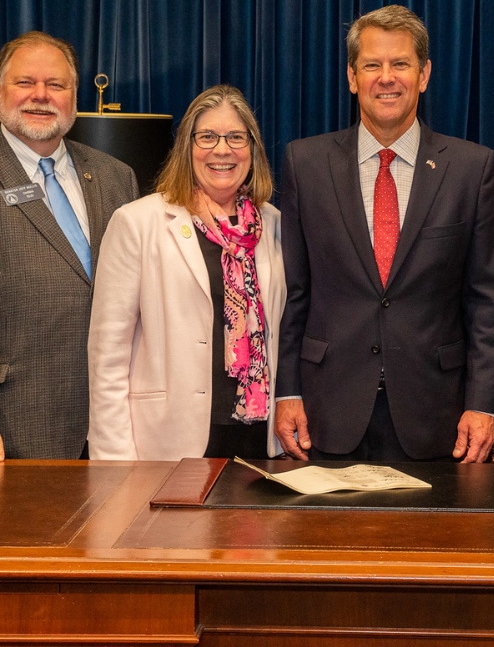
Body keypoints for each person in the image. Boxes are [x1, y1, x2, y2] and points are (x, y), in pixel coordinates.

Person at [276, 4, 494, 463]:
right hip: (327, 410)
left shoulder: (470, 168)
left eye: (400, 64)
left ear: (423, 74)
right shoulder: (305, 164)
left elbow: (486, 300)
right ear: (351, 76)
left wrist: (482, 403)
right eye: (372, 65)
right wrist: (287, 392)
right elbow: (294, 293)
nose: (387, 77)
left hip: (437, 415)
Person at [87, 85, 285, 460]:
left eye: (236, 138)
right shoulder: (137, 222)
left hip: (257, 438)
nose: (222, 150)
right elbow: (107, 356)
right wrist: (114, 463)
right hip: (166, 441)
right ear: (186, 148)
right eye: (207, 137)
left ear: (253, 150)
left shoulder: (272, 224)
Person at [0, 32, 138, 461]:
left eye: (56, 85)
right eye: (25, 82)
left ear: (74, 97)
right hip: (19, 423)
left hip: (114, 428)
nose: (41, 96)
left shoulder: (118, 177)